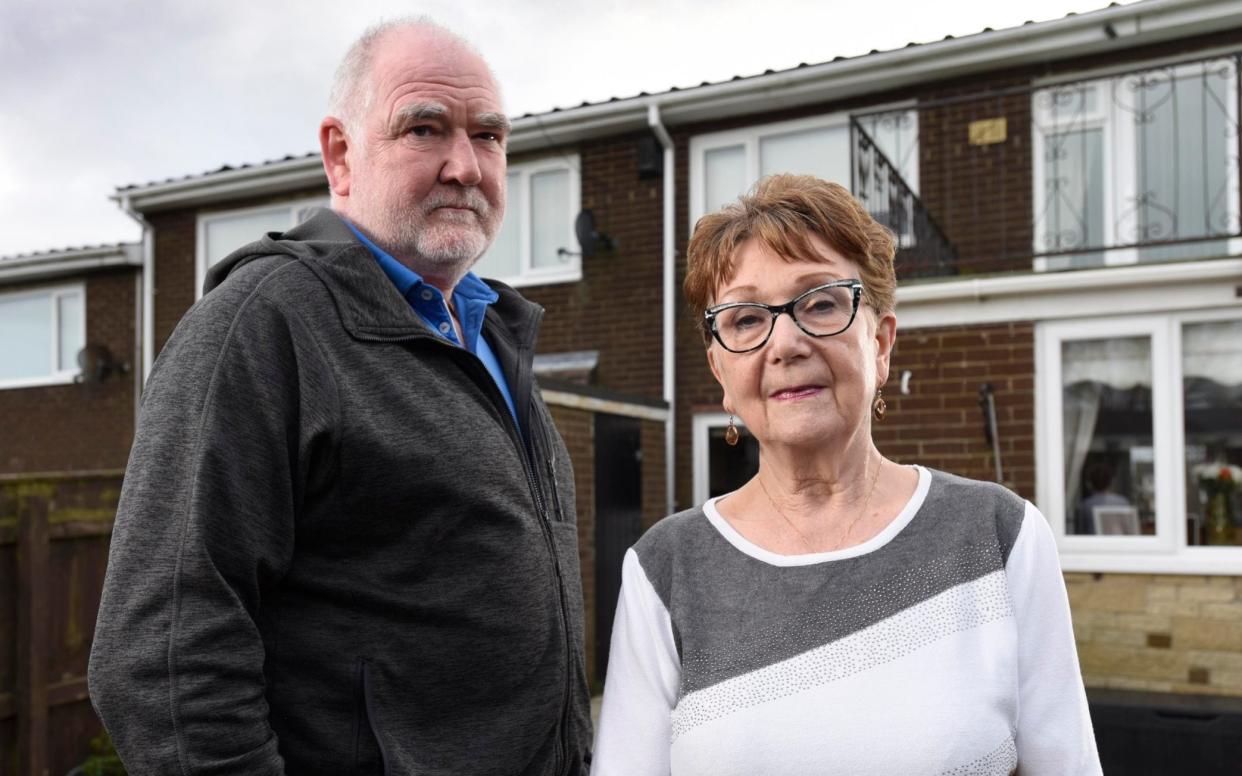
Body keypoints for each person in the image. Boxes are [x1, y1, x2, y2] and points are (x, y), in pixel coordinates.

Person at [88, 18, 592, 775]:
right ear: (340, 154)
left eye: (488, 137)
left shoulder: (491, 333)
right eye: (424, 129)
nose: (464, 165)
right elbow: (161, 657)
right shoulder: (264, 325)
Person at [593, 174, 1100, 775]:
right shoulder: (665, 570)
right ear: (720, 369)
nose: (785, 342)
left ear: (881, 343)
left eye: (821, 303)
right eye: (747, 319)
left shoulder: (999, 535)